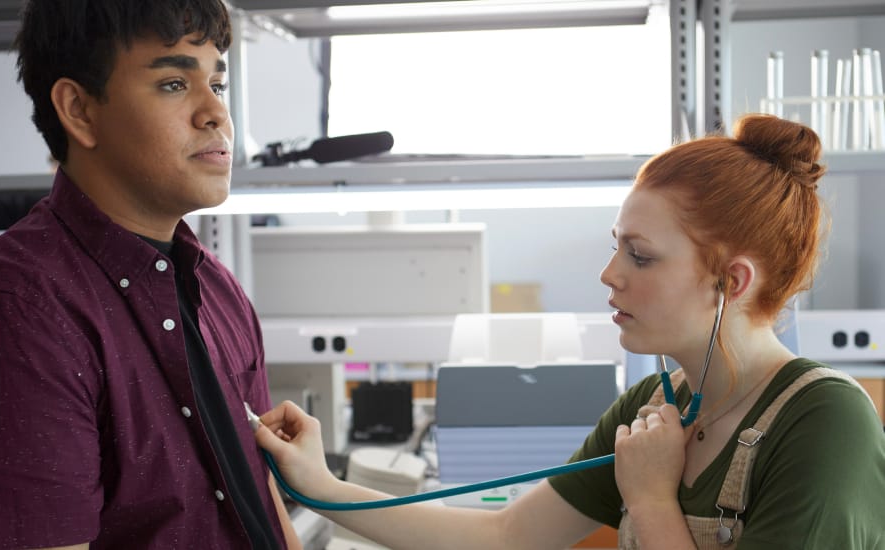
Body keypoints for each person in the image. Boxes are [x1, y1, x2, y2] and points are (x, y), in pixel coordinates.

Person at [254, 114, 885, 549]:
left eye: (640, 256)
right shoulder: (650, 407)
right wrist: (321, 487)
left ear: (732, 281)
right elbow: (506, 536)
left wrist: (651, 502)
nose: (610, 274)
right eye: (616, 248)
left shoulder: (826, 422)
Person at [0, 1, 299, 548]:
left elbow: (263, 507)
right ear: (80, 110)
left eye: (218, 84)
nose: (216, 113)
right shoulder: (15, 310)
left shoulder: (218, 289)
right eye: (174, 84)